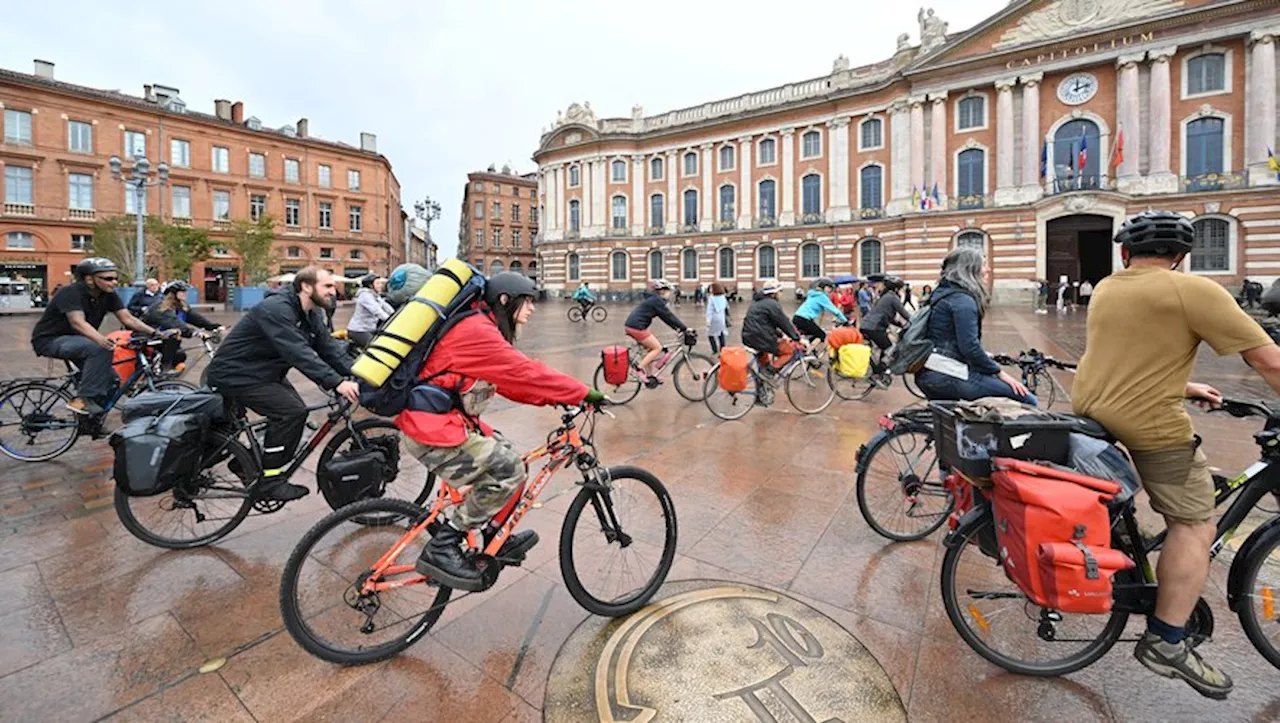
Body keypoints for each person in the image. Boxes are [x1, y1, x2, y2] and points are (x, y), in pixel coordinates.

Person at [1073, 211, 1280, 699]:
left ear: (1126, 253)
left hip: (1094, 406)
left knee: (1176, 500)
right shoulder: (1193, 290)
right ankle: (1167, 639)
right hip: (1147, 420)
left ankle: (1139, 552)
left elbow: (1130, 352)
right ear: (1181, 257)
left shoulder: (1107, 287)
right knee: (1196, 521)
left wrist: (1182, 384)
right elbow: (1267, 358)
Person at [404, 272, 606, 589]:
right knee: (506, 469)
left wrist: (552, 398)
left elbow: (507, 382)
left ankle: (492, 534)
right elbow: (523, 372)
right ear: (504, 300)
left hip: (449, 422)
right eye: (526, 301)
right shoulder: (476, 331)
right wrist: (582, 392)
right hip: (431, 430)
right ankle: (443, 546)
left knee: (514, 459)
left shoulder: (482, 326)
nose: (532, 309)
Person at [204, 266, 361, 501]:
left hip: (262, 372)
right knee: (291, 413)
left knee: (295, 414)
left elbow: (329, 349)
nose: (334, 291)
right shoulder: (277, 309)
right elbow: (297, 352)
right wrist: (336, 383)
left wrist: (361, 373)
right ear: (306, 287)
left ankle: (244, 464)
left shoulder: (311, 313)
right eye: (327, 286)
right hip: (236, 373)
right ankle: (270, 482)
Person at [30, 258, 170, 415]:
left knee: (112, 381)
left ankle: (91, 422)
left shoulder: (108, 295)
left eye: (115, 278)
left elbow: (128, 319)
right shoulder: (70, 293)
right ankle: (83, 400)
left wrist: (155, 333)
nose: (114, 282)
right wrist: (101, 340)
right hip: (50, 340)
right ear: (89, 279)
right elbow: (77, 322)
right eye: (108, 278)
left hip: (80, 342)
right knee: (98, 349)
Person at [913, 248, 1035, 405]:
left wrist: (987, 357)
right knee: (1028, 400)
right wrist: (999, 372)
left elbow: (948, 337)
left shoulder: (943, 292)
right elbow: (969, 347)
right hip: (947, 372)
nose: (988, 269)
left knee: (954, 423)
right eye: (984, 264)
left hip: (929, 371)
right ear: (970, 269)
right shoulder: (962, 300)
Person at [742, 281, 801, 406]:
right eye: (780, 291)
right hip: (761, 337)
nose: (781, 294)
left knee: (764, 362)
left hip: (749, 337)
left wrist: (780, 335)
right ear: (774, 293)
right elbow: (783, 322)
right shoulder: (772, 304)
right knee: (788, 351)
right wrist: (796, 337)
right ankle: (769, 373)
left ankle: (761, 394)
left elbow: (767, 323)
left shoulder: (757, 302)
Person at [142, 280, 221, 371]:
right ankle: (164, 371)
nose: (185, 294)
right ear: (173, 293)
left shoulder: (181, 306)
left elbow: (195, 318)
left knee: (180, 356)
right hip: (149, 337)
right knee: (175, 345)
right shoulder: (161, 306)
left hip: (164, 339)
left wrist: (213, 326)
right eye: (182, 291)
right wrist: (193, 332)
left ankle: (169, 378)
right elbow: (173, 322)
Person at [623, 279, 691, 385]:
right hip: (637, 327)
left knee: (650, 349)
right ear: (662, 291)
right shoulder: (656, 301)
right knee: (657, 348)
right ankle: (638, 369)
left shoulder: (654, 299)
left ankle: (650, 376)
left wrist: (677, 328)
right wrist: (684, 328)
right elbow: (668, 316)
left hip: (633, 326)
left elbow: (665, 317)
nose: (670, 294)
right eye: (669, 291)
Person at [860, 275, 912, 377]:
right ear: (896, 288)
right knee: (891, 348)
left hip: (867, 325)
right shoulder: (892, 297)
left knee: (883, 347)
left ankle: (879, 372)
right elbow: (904, 313)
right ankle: (878, 371)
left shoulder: (884, 296)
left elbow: (885, 314)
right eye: (901, 289)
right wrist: (915, 321)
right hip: (875, 328)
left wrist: (899, 324)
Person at [792, 277, 848, 344]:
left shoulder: (813, 294)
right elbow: (834, 310)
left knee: (813, 334)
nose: (830, 290)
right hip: (804, 319)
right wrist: (845, 321)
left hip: (798, 318)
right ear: (824, 288)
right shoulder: (822, 296)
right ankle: (808, 352)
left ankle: (806, 347)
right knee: (822, 335)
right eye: (829, 288)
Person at [348, 274, 394, 348]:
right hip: (358, 330)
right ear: (370, 285)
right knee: (374, 348)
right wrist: (390, 319)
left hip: (370, 329)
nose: (380, 285)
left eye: (381, 283)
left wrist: (395, 314)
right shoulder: (365, 296)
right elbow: (377, 311)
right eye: (377, 283)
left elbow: (386, 306)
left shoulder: (375, 295)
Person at [706, 282, 729, 353]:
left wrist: (708, 320)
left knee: (710, 335)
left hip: (714, 318)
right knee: (721, 334)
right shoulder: (723, 297)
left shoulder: (711, 298)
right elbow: (727, 307)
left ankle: (714, 349)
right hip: (721, 318)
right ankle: (722, 349)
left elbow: (709, 310)